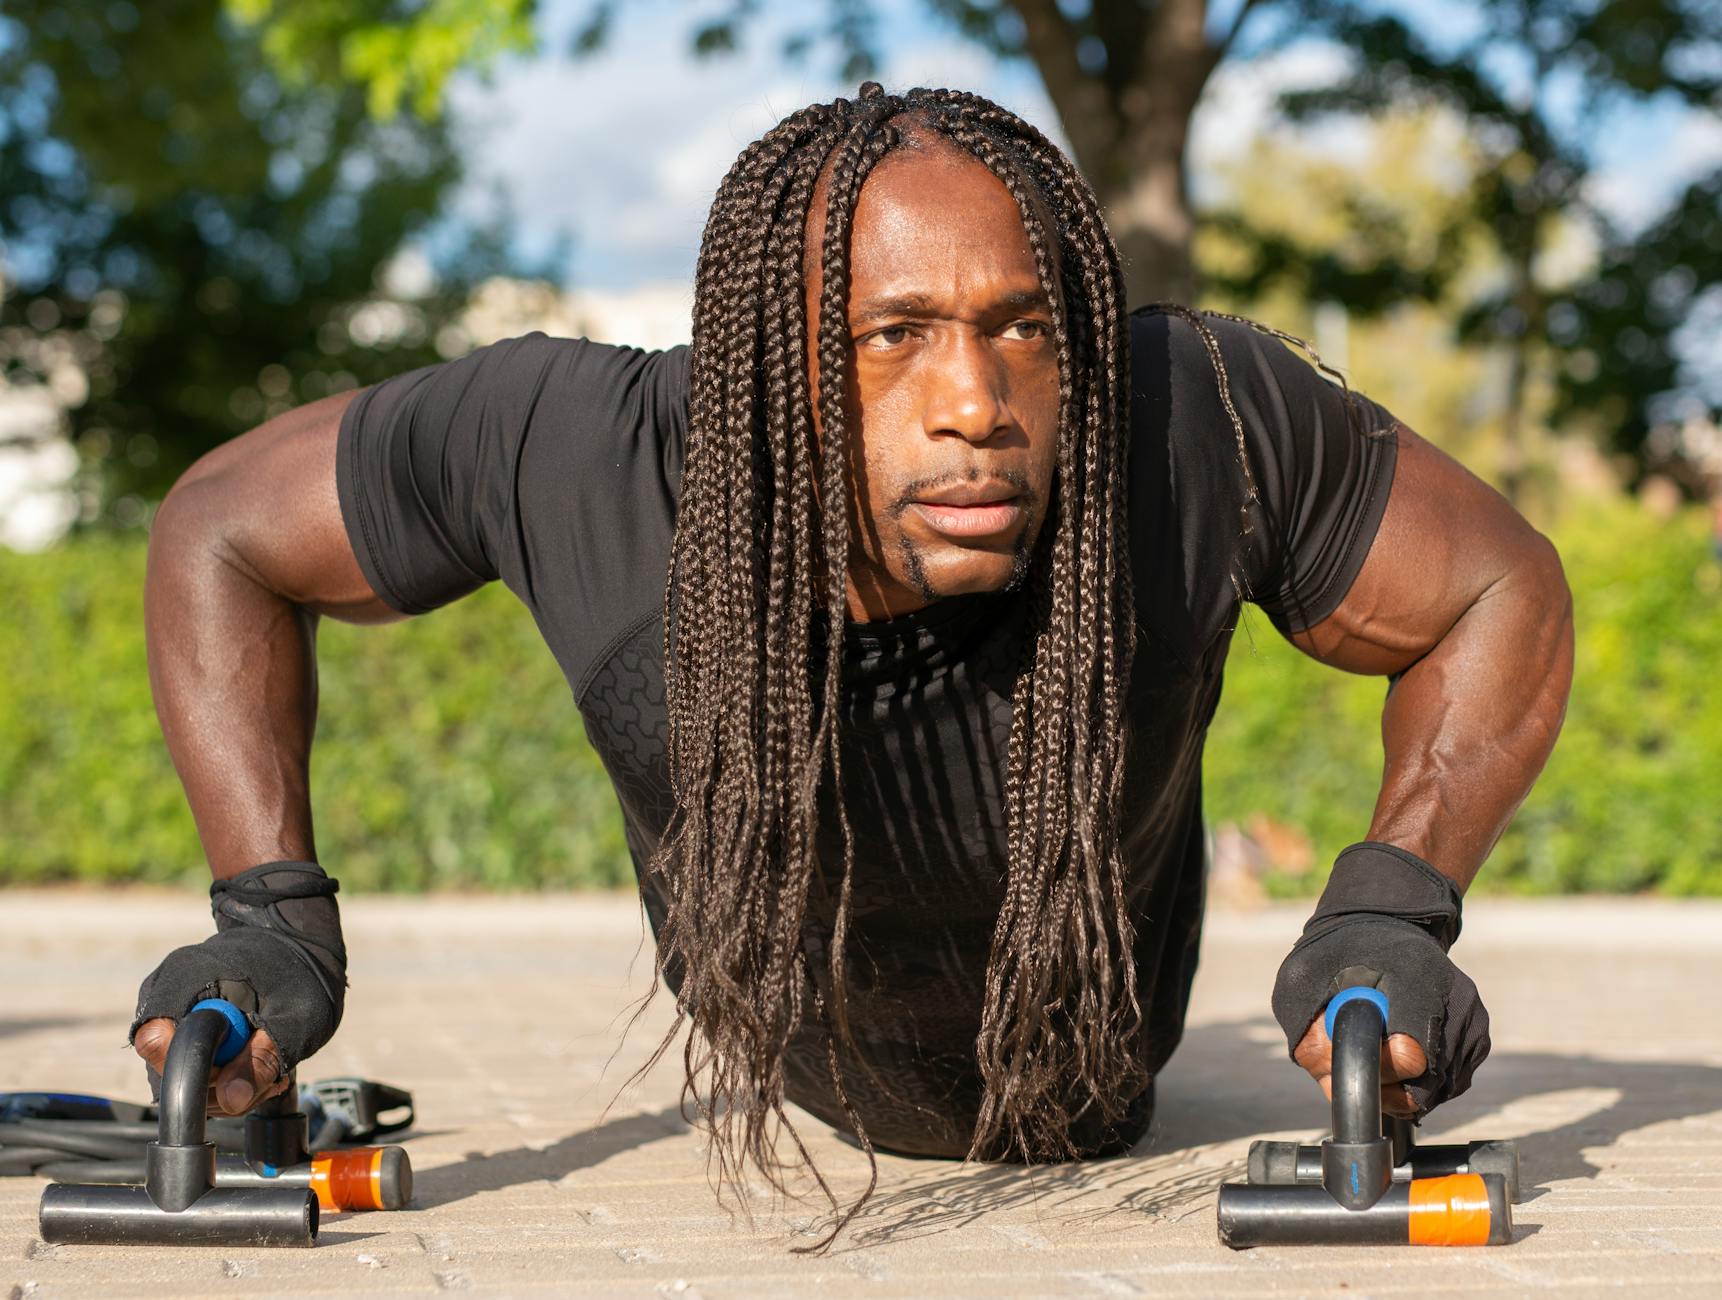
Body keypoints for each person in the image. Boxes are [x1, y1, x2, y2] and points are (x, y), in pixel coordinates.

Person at [130, 84, 1574, 1234]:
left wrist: (1392, 904)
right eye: (894, 336)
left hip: (1096, 1064)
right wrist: (269, 913)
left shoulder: (1187, 417)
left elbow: (1495, 584)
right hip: (800, 1067)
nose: (976, 403)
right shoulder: (583, 450)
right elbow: (221, 529)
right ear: (771, 355)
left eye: (1024, 330)